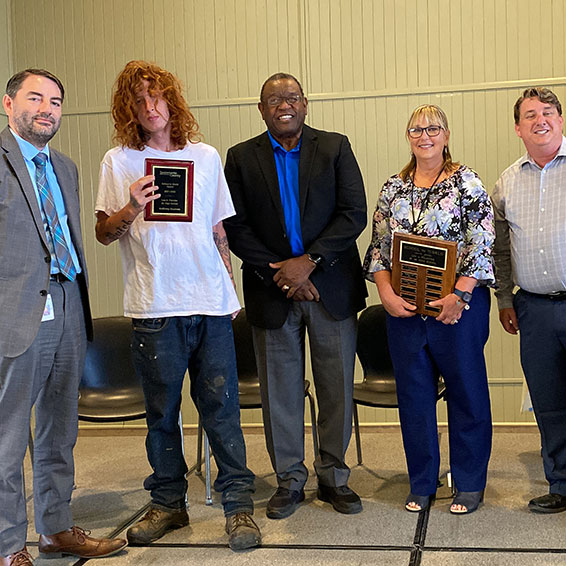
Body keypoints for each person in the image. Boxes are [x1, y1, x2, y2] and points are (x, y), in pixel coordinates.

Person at [94, 61, 260, 551]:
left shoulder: (205, 157)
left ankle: (239, 508)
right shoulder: (118, 161)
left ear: (172, 99)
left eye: (157, 97)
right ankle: (169, 504)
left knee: (223, 411)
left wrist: (229, 293)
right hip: (153, 306)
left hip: (209, 304)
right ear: (130, 109)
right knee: (161, 413)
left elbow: (218, 232)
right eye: (139, 101)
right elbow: (104, 234)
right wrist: (130, 208)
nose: (150, 107)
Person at [224, 72, 367, 519]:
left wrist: (310, 262)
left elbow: (353, 213)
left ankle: (333, 478)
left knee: (336, 387)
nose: (283, 104)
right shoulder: (241, 157)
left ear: (305, 103)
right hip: (272, 292)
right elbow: (235, 225)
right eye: (273, 99)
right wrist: (283, 274)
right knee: (280, 393)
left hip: (331, 289)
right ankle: (289, 479)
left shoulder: (335, 147)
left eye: (291, 97)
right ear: (261, 108)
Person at [0, 69, 127, 566]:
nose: (47, 109)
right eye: (35, 98)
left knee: (60, 428)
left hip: (69, 303)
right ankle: (9, 545)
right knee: (9, 435)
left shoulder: (67, 168)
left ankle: (54, 528)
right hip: (17, 314)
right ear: (8, 104)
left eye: (56, 101)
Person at [363, 104, 495, 515]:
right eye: (416, 129)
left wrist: (460, 295)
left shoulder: (466, 182)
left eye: (433, 128)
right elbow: (379, 249)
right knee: (415, 399)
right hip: (404, 312)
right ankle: (422, 482)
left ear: (447, 134)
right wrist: (385, 294)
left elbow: (483, 242)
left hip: (458, 309)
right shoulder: (393, 187)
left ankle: (470, 484)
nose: (425, 135)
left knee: (467, 394)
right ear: (408, 137)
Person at [492, 87, 566, 514]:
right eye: (530, 115)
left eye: (549, 112)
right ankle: (561, 483)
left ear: (560, 119)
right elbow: (500, 250)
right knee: (550, 402)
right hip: (533, 309)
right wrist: (504, 298)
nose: (541, 120)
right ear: (518, 128)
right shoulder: (507, 182)